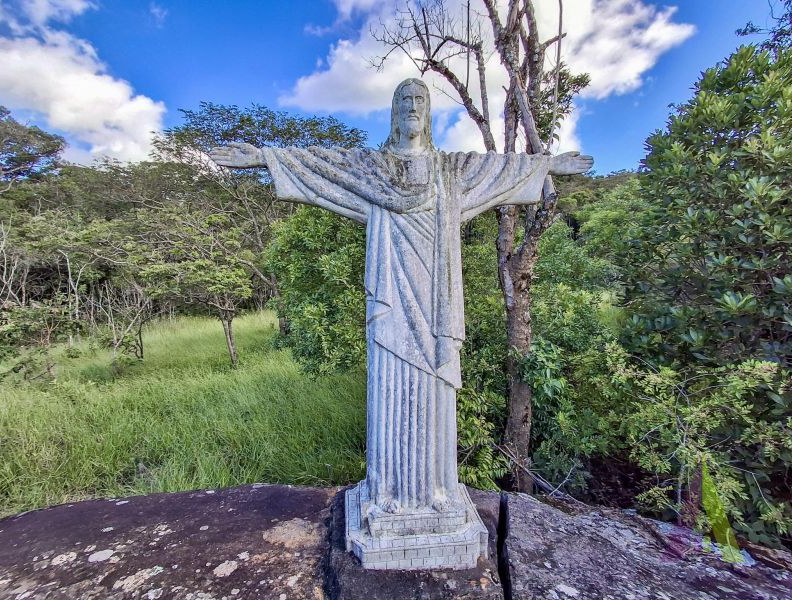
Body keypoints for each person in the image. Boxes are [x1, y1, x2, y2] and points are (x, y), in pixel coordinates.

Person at [210, 78, 593, 515]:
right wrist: (262, 157)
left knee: (434, 393)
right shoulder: (371, 169)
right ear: (393, 111)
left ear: (428, 112)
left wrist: (548, 165)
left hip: (435, 303)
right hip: (390, 296)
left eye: (419, 100)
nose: (412, 106)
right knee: (390, 390)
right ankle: (386, 492)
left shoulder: (453, 171)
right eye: (404, 100)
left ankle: (438, 492)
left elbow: (500, 169)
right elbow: (321, 167)